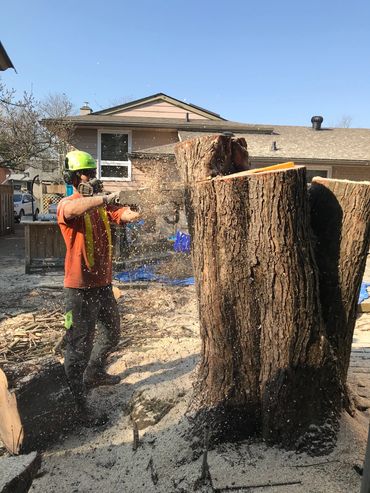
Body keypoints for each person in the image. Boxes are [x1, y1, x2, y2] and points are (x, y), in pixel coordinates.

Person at [57, 150, 140, 426]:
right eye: (85, 173)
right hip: (78, 289)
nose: (90, 177)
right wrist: (102, 198)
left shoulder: (102, 207)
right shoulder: (68, 204)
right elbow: (72, 210)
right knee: (78, 347)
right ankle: (78, 406)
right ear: (72, 176)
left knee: (112, 333)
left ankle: (94, 372)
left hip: (103, 285)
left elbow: (123, 215)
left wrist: (135, 210)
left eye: (92, 173)